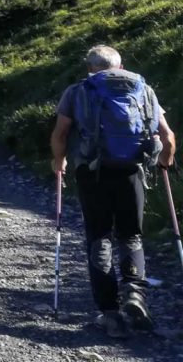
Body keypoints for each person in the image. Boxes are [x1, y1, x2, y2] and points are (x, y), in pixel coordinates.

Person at [50, 45, 176, 338]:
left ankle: (110, 314)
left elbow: (60, 134)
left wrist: (59, 161)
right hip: (132, 170)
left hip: (92, 172)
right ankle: (135, 294)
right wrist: (165, 162)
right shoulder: (143, 88)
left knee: (99, 237)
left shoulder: (78, 90)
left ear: (89, 67)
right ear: (120, 66)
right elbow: (167, 136)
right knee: (131, 234)